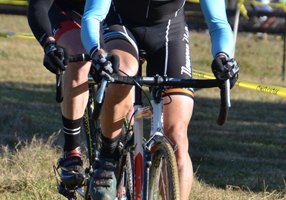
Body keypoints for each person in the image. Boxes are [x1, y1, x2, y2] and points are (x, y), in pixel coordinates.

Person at [81, 0, 239, 200]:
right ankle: (107, 156)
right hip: (120, 26)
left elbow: (219, 23)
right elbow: (93, 16)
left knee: (177, 138)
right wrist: (97, 52)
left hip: (169, 32)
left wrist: (224, 57)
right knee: (123, 73)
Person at [27, 0, 110, 188]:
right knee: (80, 58)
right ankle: (72, 151)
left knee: (122, 67)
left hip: (108, 15)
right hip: (66, 11)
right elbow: (38, 6)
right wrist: (49, 44)